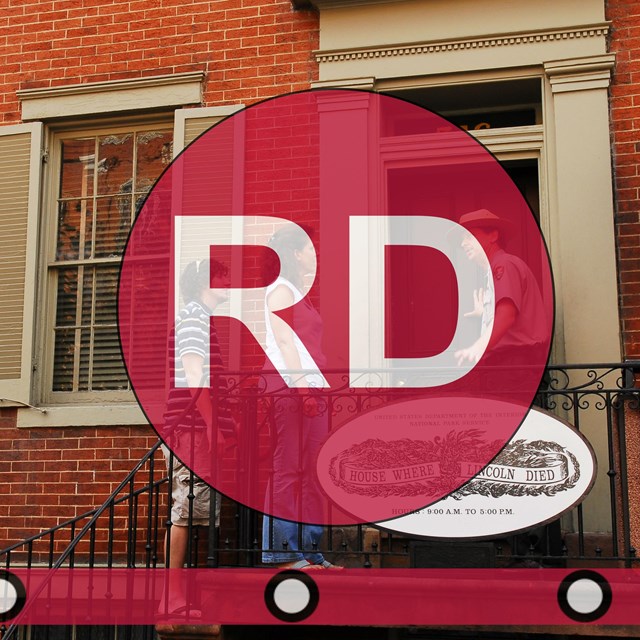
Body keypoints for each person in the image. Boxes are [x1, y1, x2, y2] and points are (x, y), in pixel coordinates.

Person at [261, 224, 339, 570]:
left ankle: (310, 551)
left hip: (311, 390)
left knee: (313, 471)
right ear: (294, 254)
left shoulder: (299, 293)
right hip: (289, 389)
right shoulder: (279, 291)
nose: (315, 254)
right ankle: (284, 552)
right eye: (310, 249)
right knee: (289, 468)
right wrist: (303, 389)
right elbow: (285, 343)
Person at [159, 258, 235, 616]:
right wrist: (212, 428)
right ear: (207, 281)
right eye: (224, 277)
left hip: (195, 431)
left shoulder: (201, 318)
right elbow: (194, 379)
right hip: (190, 432)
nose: (229, 283)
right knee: (186, 512)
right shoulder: (193, 316)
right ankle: (173, 598)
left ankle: (182, 596)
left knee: (195, 513)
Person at [453, 209, 549, 395]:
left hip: (514, 366)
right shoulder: (498, 268)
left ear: (493, 236)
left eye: (470, 236)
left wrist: (477, 347)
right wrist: (485, 314)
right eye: (462, 239)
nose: (464, 243)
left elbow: (507, 315)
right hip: (514, 366)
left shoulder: (503, 264)